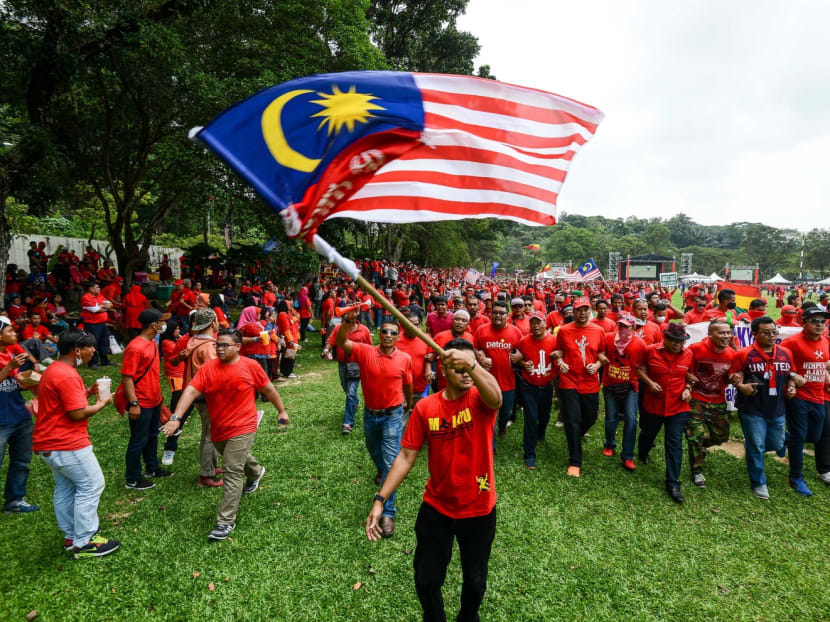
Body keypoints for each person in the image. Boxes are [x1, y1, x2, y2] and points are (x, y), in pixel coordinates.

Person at [365, 339, 502, 622]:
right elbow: (405, 456)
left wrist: (472, 364)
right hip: (437, 507)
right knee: (426, 580)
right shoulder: (426, 408)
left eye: (469, 367)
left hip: (478, 508)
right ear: (444, 369)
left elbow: (497, 398)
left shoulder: (480, 400)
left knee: (475, 581)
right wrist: (380, 500)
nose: (465, 373)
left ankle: (467, 617)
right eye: (458, 367)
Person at [162, 328, 288, 540]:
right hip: (218, 429)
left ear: (237, 347)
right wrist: (175, 417)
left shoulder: (250, 366)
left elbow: (268, 390)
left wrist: (281, 410)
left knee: (231, 470)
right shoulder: (209, 368)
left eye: (224, 345)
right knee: (233, 457)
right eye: (217, 345)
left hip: (243, 426)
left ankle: (225, 522)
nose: (219, 348)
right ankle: (256, 472)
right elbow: (191, 391)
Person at [33, 328, 120, 558]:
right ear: (77, 350)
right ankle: (85, 542)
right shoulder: (67, 375)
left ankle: (71, 535)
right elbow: (77, 414)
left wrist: (90, 392)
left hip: (48, 444)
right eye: (90, 347)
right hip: (66, 443)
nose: (93, 350)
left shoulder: (54, 369)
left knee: (66, 488)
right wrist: (103, 402)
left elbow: (64, 403)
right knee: (92, 485)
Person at [337, 311, 413, 537]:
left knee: (391, 460)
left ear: (398, 336)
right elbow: (341, 342)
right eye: (385, 331)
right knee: (373, 448)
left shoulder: (405, 359)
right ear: (378, 334)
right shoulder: (364, 351)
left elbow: (407, 384)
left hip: (393, 414)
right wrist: (349, 321)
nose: (388, 335)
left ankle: (388, 512)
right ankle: (384, 472)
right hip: (371, 414)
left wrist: (408, 403)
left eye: (393, 333)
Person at [730, 317, 800, 499]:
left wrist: (791, 386)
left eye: (774, 332)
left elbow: (790, 374)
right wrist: (741, 386)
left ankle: (755, 445)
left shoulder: (785, 352)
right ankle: (758, 482)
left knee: (776, 444)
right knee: (757, 445)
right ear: (755, 334)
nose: (771, 336)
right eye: (766, 332)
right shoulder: (744, 354)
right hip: (752, 409)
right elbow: (734, 374)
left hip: (777, 408)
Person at [637, 323, 695, 503]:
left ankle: (673, 483)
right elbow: (639, 369)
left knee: (674, 444)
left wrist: (687, 388)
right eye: (674, 341)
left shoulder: (689, 355)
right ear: (666, 339)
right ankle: (643, 451)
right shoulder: (650, 350)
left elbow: (689, 376)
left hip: (678, 406)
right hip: (654, 404)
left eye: (681, 341)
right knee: (648, 433)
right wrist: (649, 383)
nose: (678, 345)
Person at [552, 297, 608, 477]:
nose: (582, 313)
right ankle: (575, 461)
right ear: (573, 312)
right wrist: (560, 361)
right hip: (569, 381)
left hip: (590, 382)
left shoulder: (599, 331)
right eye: (578, 310)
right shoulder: (564, 331)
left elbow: (602, 354)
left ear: (590, 311)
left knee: (590, 417)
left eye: (585, 309)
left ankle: (577, 434)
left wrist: (598, 366)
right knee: (572, 420)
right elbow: (558, 350)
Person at [780, 306, 830, 496]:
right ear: (804, 322)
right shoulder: (792, 342)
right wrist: (793, 376)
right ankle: (795, 477)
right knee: (800, 438)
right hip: (798, 397)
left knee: (815, 437)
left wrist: (826, 374)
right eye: (815, 321)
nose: (820, 325)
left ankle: (786, 438)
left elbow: (824, 362)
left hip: (819, 396)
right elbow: (779, 362)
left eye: (822, 321)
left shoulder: (825, 341)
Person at [683, 320, 736, 488]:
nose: (726, 336)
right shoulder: (696, 349)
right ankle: (697, 470)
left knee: (721, 436)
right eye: (721, 333)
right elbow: (683, 367)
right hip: (696, 398)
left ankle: (700, 447)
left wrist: (736, 378)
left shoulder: (732, 354)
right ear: (710, 334)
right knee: (695, 435)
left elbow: (733, 375)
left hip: (718, 400)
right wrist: (688, 379)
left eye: (728, 332)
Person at [122, 308, 171, 490]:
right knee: (138, 440)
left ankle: (152, 468)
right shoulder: (135, 347)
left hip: (154, 400)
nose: (163, 325)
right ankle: (132, 478)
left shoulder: (152, 343)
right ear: (153, 324)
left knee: (153, 436)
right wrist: (134, 403)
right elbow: (127, 377)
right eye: (161, 321)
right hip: (141, 402)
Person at [0, 316, 39, 514]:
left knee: (22, 460)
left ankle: (15, 501)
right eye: (10, 331)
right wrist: (9, 367)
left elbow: (16, 383)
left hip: (19, 414)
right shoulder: (10, 359)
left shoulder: (11, 353)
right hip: (1, 419)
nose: (15, 334)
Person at [473, 300, 522, 445]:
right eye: (495, 313)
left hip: (508, 382)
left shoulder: (515, 332)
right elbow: (474, 349)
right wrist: (480, 355)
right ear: (491, 314)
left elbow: (522, 351)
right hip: (486, 381)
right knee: (489, 414)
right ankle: (491, 446)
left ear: (508, 315)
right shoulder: (481, 330)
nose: (498, 316)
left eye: (502, 313)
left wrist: (520, 356)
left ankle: (502, 426)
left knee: (506, 411)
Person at [601, 313, 647, 471]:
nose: (623, 330)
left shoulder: (639, 344)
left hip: (630, 386)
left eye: (626, 327)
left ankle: (627, 455)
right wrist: (602, 360)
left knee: (631, 419)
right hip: (610, 384)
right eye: (620, 326)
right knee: (611, 418)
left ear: (633, 327)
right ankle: (609, 444)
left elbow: (642, 366)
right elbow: (599, 353)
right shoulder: (608, 338)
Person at [513, 312, 557, 469]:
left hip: (547, 385)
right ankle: (529, 454)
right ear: (529, 325)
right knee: (531, 419)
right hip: (529, 386)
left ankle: (541, 432)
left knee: (544, 416)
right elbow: (515, 359)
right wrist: (523, 363)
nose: (536, 326)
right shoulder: (523, 341)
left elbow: (560, 357)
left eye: (539, 322)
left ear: (545, 323)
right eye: (533, 323)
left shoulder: (554, 340)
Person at [80, 281, 113, 369]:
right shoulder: (86, 298)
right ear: (91, 289)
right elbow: (96, 310)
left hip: (102, 324)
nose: (99, 289)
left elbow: (110, 305)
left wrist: (102, 306)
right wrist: (103, 307)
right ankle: (93, 363)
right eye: (97, 287)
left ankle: (104, 361)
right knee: (93, 343)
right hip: (92, 325)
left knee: (105, 342)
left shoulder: (99, 296)